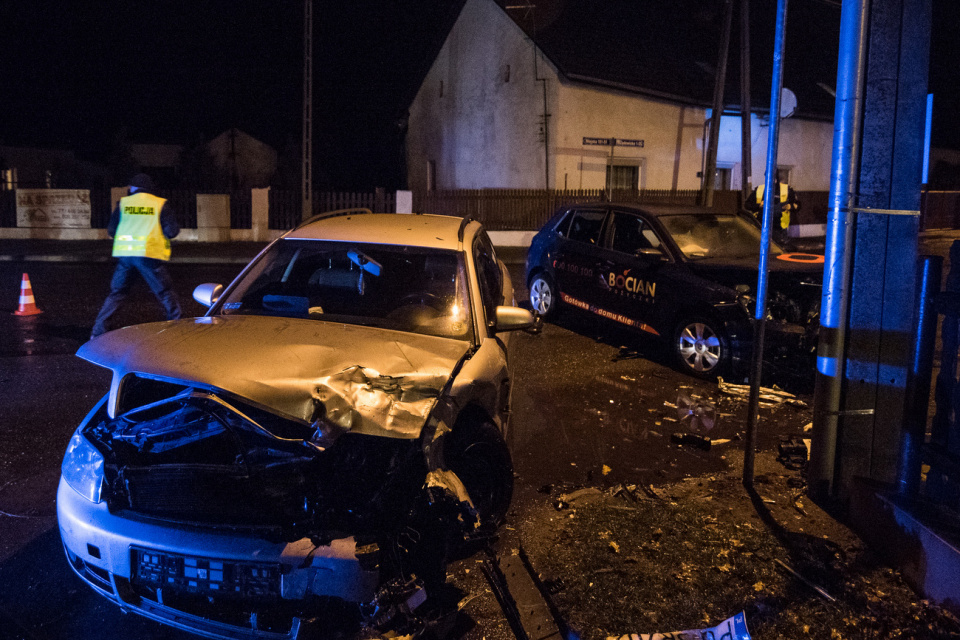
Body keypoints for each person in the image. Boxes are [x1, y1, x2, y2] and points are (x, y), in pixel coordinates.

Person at [90, 173, 182, 339]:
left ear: (133, 188)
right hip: (149, 255)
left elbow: (111, 230)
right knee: (164, 292)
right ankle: (178, 328)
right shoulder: (160, 204)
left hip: (125, 255)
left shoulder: (123, 204)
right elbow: (172, 231)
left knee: (117, 293)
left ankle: (98, 332)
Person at [745, 175, 800, 246]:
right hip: (761, 226)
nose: (772, 181)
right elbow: (747, 205)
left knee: (778, 250)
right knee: (761, 249)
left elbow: (798, 205)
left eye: (774, 178)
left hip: (780, 229)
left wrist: (790, 206)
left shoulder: (787, 189)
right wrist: (759, 205)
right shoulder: (760, 189)